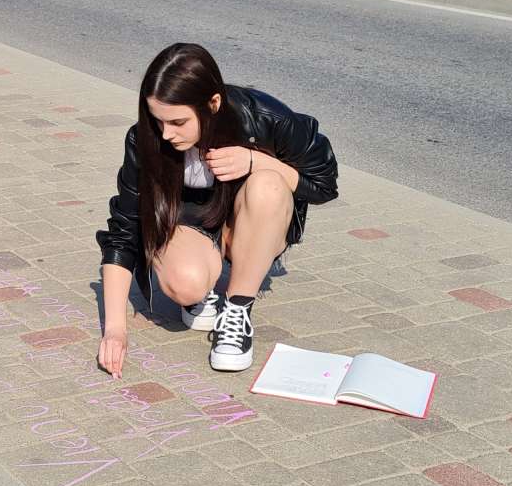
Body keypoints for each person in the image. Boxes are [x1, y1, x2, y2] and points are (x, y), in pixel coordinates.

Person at [96, 43, 338, 377]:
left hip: (253, 225)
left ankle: (237, 309)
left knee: (268, 185)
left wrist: (256, 161)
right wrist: (115, 330)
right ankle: (201, 288)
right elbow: (124, 230)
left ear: (213, 104)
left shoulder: (265, 117)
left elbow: (324, 186)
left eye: (178, 121)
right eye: (158, 120)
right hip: (191, 228)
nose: (166, 134)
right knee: (185, 282)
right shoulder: (145, 139)